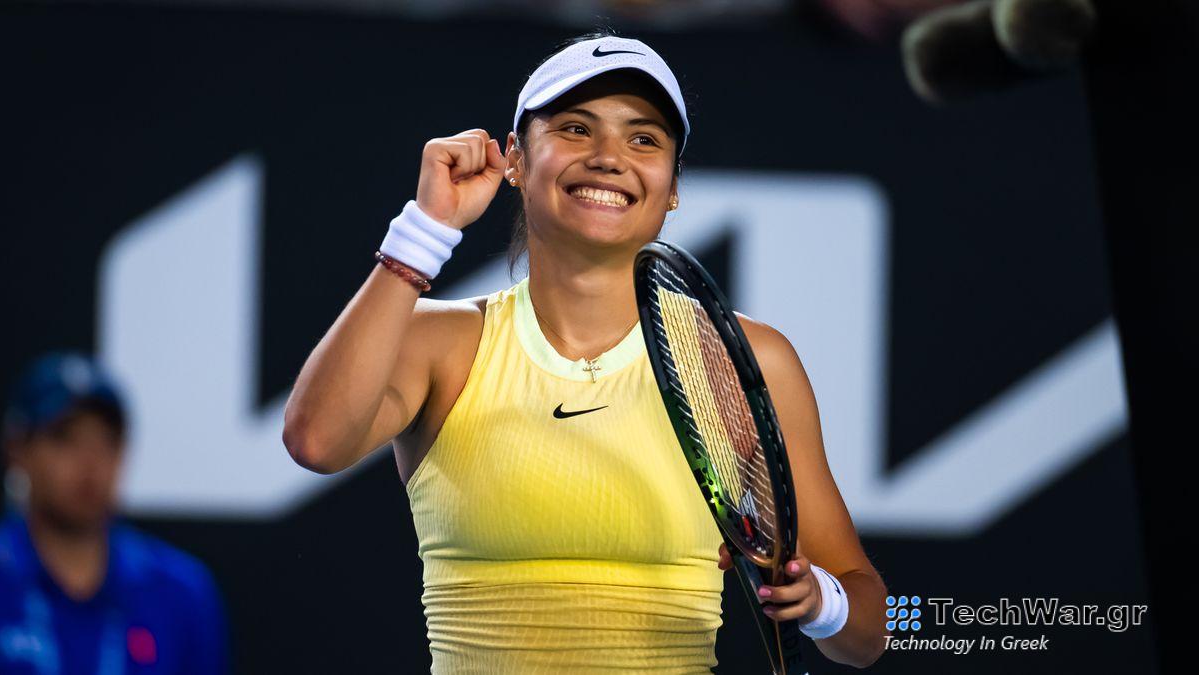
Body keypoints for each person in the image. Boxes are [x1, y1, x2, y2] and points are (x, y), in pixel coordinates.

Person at [283, 30, 887, 672]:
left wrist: (822, 601)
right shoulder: (437, 340)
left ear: (673, 184)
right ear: (513, 157)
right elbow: (316, 443)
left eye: (644, 138)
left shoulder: (743, 358)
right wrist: (425, 233)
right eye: (575, 128)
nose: (608, 157)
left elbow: (873, 627)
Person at [0, 352, 228, 674]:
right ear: (18, 450)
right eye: (64, 438)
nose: (89, 463)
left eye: (108, 441)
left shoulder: (180, 592)